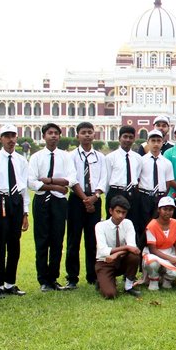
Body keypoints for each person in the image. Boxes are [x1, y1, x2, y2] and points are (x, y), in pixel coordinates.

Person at [28, 123, 78, 292]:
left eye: (56, 133)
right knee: (42, 240)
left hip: (59, 202)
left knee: (57, 241)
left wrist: (49, 181)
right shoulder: (36, 157)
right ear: (44, 136)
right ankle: (43, 279)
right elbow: (32, 182)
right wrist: (56, 186)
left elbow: (71, 179)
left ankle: (53, 278)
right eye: (50, 133)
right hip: (42, 201)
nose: (53, 136)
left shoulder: (66, 156)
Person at [0, 124, 30, 298]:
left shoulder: (21, 160)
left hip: (16, 201)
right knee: (0, 243)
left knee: (15, 243)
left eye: (13, 136)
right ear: (1, 139)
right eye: (7, 136)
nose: (10, 139)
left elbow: (24, 188)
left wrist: (25, 212)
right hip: (1, 200)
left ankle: (10, 283)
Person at [66, 121, 106, 290]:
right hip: (77, 200)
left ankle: (92, 275)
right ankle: (72, 277)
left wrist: (94, 197)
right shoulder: (72, 156)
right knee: (73, 240)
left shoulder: (100, 157)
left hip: (95, 201)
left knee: (92, 240)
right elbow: (72, 179)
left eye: (90, 132)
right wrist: (85, 199)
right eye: (83, 132)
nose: (87, 135)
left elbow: (104, 179)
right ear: (77, 136)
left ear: (94, 134)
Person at [94, 194, 142, 299]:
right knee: (110, 294)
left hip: (121, 260)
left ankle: (128, 286)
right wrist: (125, 248)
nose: (121, 215)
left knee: (134, 256)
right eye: (118, 211)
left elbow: (132, 248)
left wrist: (116, 254)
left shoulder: (128, 223)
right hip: (105, 262)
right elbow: (102, 251)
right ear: (111, 211)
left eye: (124, 213)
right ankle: (102, 280)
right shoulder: (100, 226)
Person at [104, 125, 143, 237]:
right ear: (119, 138)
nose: (127, 140)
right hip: (116, 192)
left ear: (134, 139)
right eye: (125, 137)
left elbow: (137, 175)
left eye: (130, 137)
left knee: (133, 223)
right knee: (114, 224)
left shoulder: (137, 158)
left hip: (132, 193)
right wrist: (109, 196)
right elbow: (107, 179)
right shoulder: (111, 157)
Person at [143, 196, 176, 290]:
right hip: (154, 253)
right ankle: (154, 279)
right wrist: (171, 259)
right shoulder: (152, 226)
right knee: (153, 263)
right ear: (159, 210)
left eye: (170, 209)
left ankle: (167, 280)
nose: (168, 212)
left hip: (170, 251)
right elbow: (153, 249)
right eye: (165, 209)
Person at [136, 131, 176, 227]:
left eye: (158, 141)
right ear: (148, 142)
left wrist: (162, 196)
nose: (156, 144)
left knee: (158, 225)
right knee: (144, 225)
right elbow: (137, 180)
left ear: (162, 142)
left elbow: (168, 182)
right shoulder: (141, 160)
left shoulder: (167, 162)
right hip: (144, 196)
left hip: (159, 196)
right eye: (153, 141)